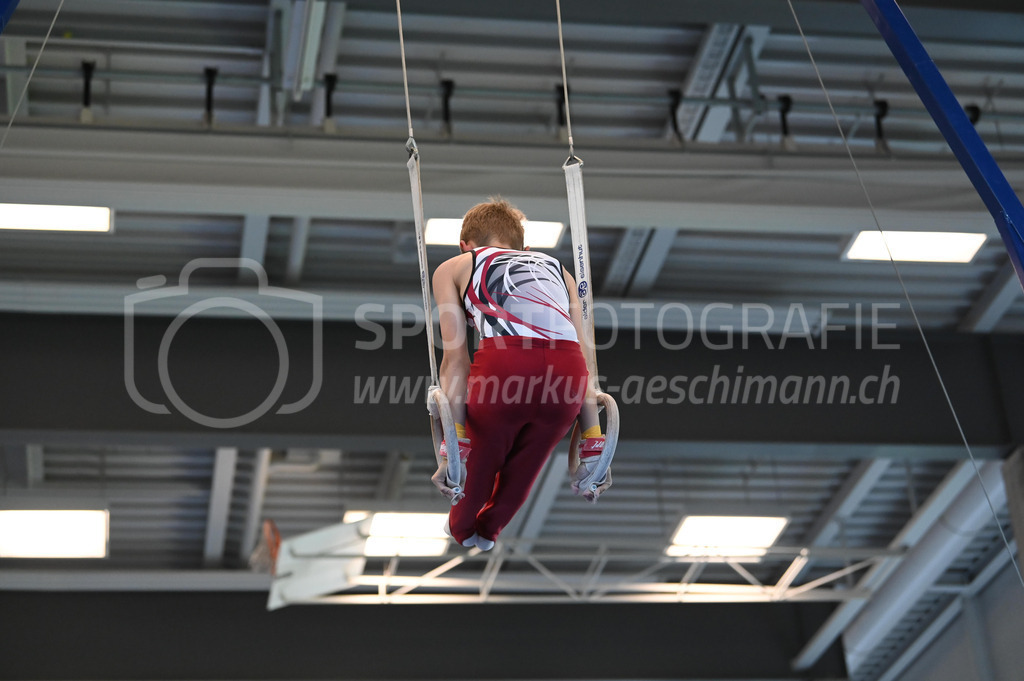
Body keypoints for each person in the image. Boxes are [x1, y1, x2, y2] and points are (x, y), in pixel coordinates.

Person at [430, 197, 611, 551]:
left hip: (505, 365)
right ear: (525, 248)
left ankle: (463, 528)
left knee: (481, 462)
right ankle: (489, 528)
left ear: (465, 246)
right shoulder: (560, 270)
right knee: (529, 463)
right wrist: (594, 439)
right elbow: (588, 361)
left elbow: (457, 360)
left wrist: (454, 441)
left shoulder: (455, 266)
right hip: (567, 374)